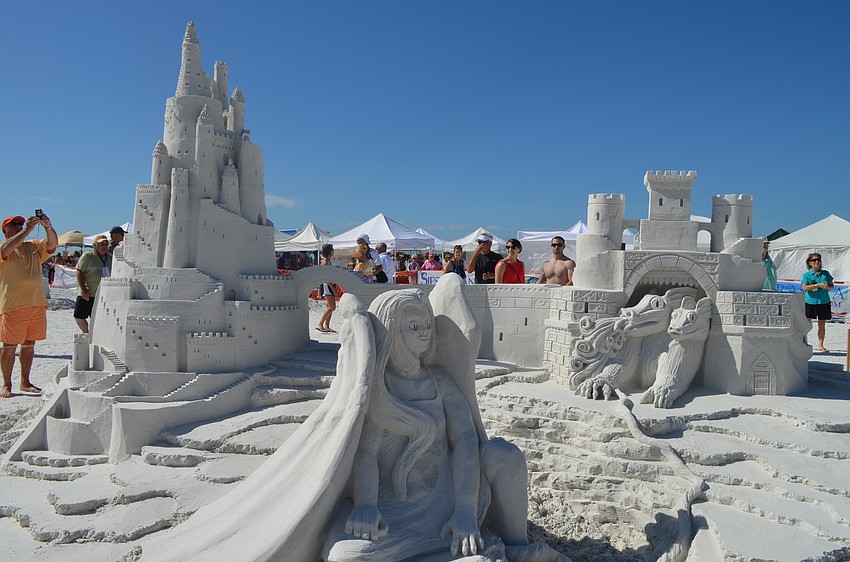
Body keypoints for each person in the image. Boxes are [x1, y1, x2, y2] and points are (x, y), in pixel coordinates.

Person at [1, 213, 58, 398]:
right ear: (5, 231)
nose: (19, 225)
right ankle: (7, 384)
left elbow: (52, 245)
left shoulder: (33, 246)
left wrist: (48, 226)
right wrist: (27, 230)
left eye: (20, 223)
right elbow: (6, 251)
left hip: (36, 303)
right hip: (13, 304)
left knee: (29, 345)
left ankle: (25, 382)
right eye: (14, 224)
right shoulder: (3, 246)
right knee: (9, 346)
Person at [74, 234, 113, 333]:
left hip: (102, 295)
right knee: (79, 316)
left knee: (97, 318)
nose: (104, 246)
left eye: (106, 244)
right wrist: (83, 289)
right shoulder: (87, 256)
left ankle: (94, 335)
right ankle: (86, 333)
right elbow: (79, 272)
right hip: (88, 293)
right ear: (94, 245)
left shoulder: (111, 258)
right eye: (101, 244)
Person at [801, 252, 834, 353]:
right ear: (809, 263)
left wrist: (827, 287)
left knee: (822, 324)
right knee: (806, 324)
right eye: (814, 260)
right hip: (811, 301)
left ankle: (821, 345)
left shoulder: (825, 273)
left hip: (824, 301)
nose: (817, 262)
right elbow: (805, 287)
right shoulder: (806, 275)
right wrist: (817, 286)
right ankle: (803, 342)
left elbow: (832, 285)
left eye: (818, 260)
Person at [316, 244, 337, 333]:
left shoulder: (327, 261)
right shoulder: (325, 262)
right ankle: (320, 324)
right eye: (332, 249)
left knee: (330, 306)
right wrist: (333, 289)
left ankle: (327, 325)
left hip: (329, 285)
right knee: (332, 307)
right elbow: (326, 278)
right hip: (327, 285)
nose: (333, 251)